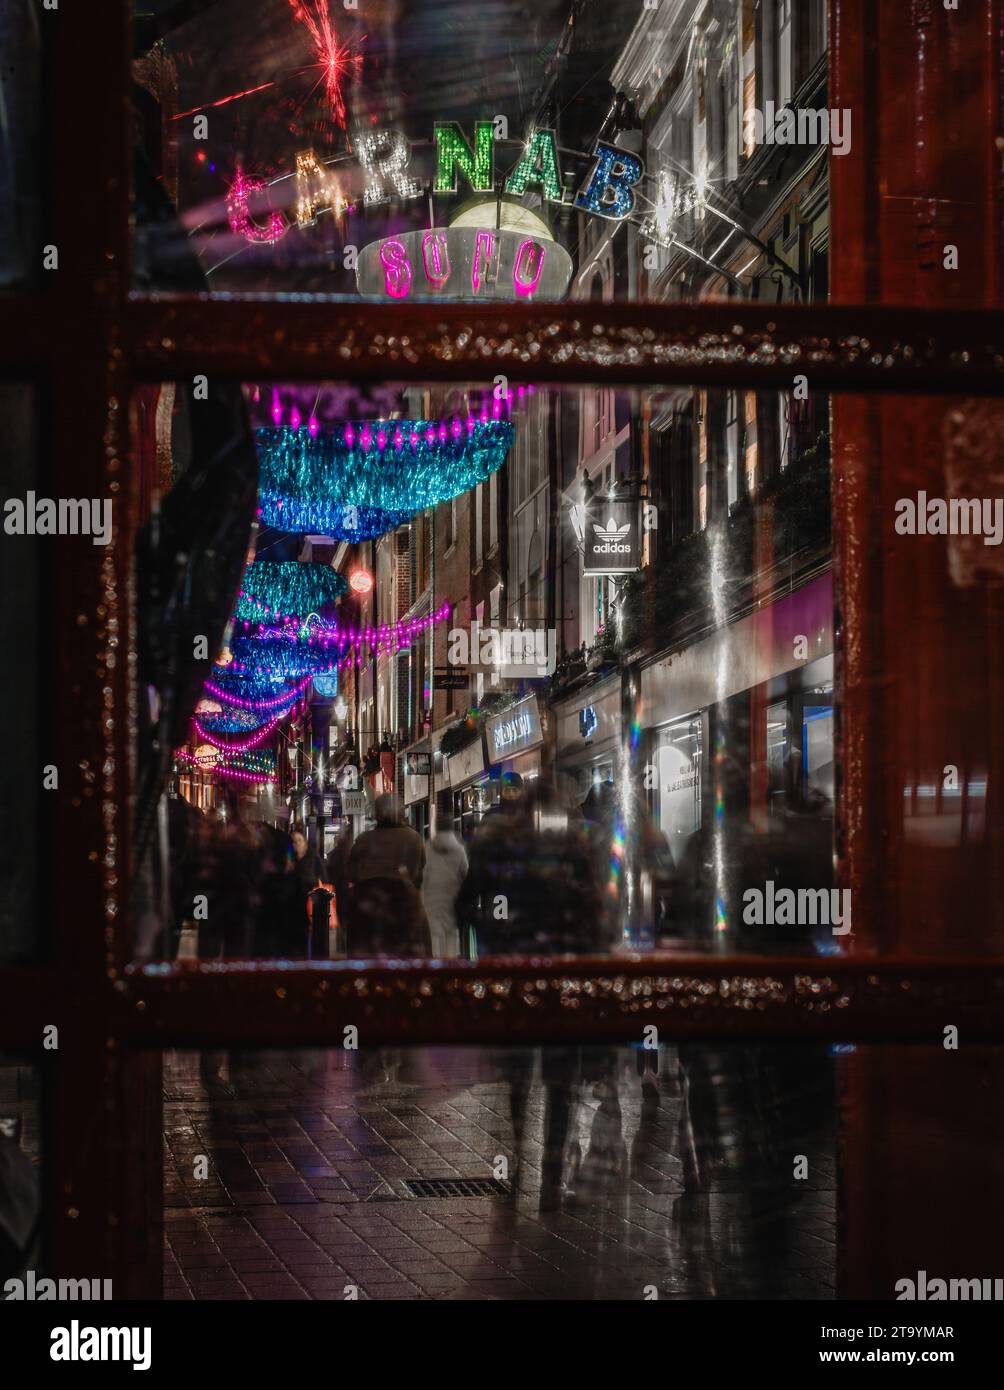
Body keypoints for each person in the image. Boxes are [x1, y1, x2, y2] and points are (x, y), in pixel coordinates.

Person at [346, 794, 431, 956]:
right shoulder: (413, 838)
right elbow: (418, 872)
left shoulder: (364, 839)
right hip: (404, 905)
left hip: (368, 907)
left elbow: (351, 873)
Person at [422, 791, 467, 957]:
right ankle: (451, 972)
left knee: (435, 935)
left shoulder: (428, 848)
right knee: (451, 934)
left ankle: (437, 970)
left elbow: (423, 875)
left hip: (432, 899)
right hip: (453, 897)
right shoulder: (460, 849)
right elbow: (465, 873)